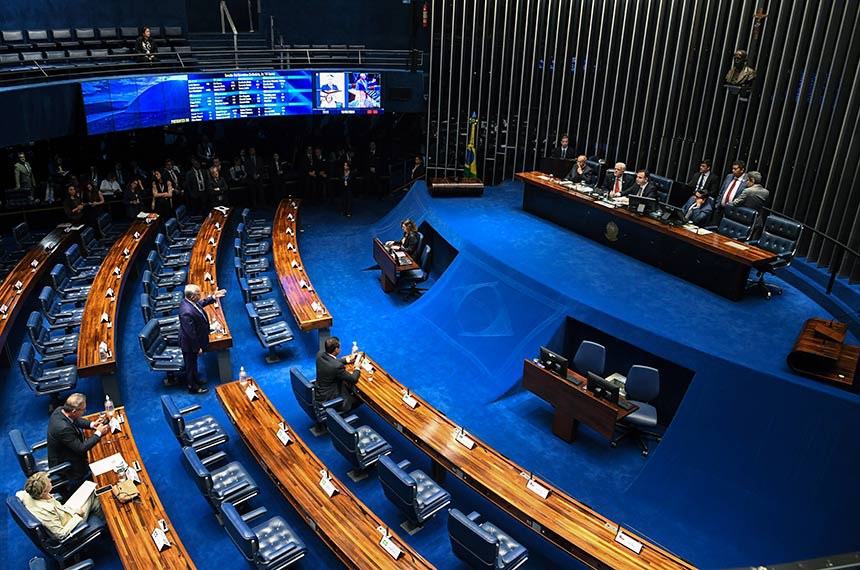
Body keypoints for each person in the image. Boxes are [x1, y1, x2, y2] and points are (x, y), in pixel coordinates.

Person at [47, 393, 109, 496]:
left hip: (66, 449)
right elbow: (81, 448)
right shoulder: (63, 428)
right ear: (74, 411)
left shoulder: (60, 410)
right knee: (99, 458)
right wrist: (99, 433)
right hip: (65, 461)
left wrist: (92, 425)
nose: (85, 411)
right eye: (83, 410)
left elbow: (74, 420)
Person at [16, 471, 104, 540]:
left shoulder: (26, 494)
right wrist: (77, 516)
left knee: (95, 502)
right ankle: (108, 526)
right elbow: (60, 534)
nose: (50, 480)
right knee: (92, 494)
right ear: (43, 492)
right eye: (48, 483)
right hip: (72, 523)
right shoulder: (45, 511)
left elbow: (18, 495)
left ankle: (105, 525)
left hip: (65, 511)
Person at [179, 284, 226, 394]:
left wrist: (214, 297)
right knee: (190, 365)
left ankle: (196, 380)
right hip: (189, 344)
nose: (200, 296)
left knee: (193, 363)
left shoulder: (189, 303)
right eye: (198, 294)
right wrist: (198, 347)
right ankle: (193, 387)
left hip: (193, 340)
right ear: (192, 297)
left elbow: (200, 304)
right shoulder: (186, 312)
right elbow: (191, 334)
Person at [315, 336, 361, 413]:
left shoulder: (320, 355)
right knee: (359, 398)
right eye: (339, 347)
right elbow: (353, 378)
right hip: (330, 398)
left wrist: (348, 360)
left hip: (320, 393)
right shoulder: (337, 367)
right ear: (336, 349)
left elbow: (331, 361)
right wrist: (357, 368)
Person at [732, 170, 770, 235]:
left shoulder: (748, 191)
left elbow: (736, 203)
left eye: (747, 180)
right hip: (757, 221)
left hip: (744, 219)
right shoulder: (766, 192)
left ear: (752, 181)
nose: (745, 182)